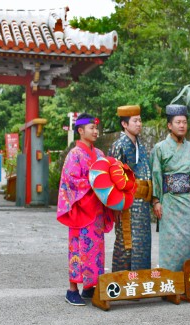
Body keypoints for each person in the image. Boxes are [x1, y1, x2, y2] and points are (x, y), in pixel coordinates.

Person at [57, 113, 115, 306]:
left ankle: (90, 287)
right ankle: (72, 290)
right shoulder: (74, 154)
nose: (95, 131)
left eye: (96, 128)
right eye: (91, 128)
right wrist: (95, 185)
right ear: (80, 131)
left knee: (96, 250)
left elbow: (106, 176)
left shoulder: (99, 154)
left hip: (96, 209)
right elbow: (71, 181)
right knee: (78, 248)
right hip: (81, 209)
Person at [150, 104, 190, 272]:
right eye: (178, 122)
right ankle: (170, 283)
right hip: (169, 202)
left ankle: (188, 281)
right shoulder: (160, 148)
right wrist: (156, 201)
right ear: (169, 125)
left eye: (184, 122)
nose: (182, 125)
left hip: (189, 203)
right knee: (170, 244)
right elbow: (155, 175)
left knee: (189, 242)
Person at [108, 105, 153, 272]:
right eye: (135, 121)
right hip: (127, 202)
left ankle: (140, 283)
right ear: (124, 124)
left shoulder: (140, 145)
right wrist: (116, 205)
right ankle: (124, 282)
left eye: (140, 120)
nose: (139, 124)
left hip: (142, 203)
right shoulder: (119, 145)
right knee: (126, 242)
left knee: (142, 242)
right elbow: (113, 176)